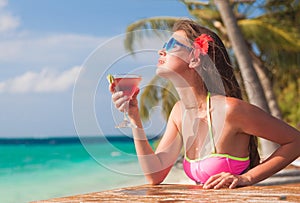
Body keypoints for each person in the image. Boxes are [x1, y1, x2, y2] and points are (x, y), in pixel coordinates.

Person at [109, 19, 300, 189]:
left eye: (171, 45)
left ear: (194, 58)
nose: (161, 50)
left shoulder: (231, 110)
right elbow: (155, 175)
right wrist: (134, 116)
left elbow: (296, 141)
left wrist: (248, 178)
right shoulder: (179, 112)